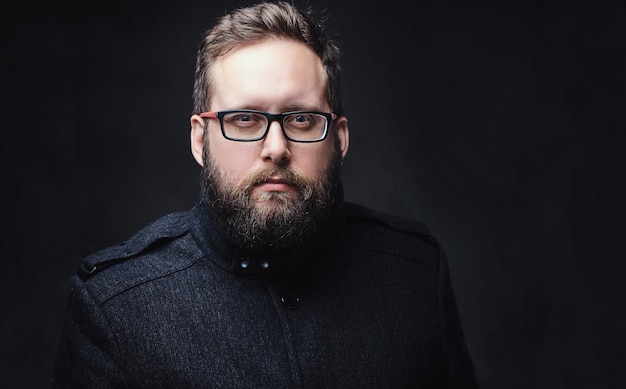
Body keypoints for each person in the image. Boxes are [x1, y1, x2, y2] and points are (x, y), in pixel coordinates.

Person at [52, 1, 479, 387]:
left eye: (302, 119)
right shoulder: (116, 307)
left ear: (339, 138)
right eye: (243, 119)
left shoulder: (415, 273)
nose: (276, 148)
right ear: (200, 140)